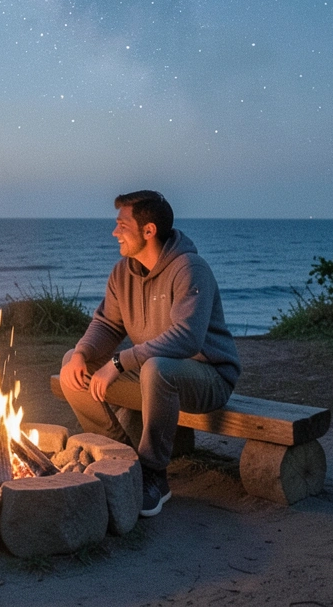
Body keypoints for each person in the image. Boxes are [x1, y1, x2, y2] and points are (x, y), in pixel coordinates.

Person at [59, 190, 240, 517]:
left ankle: (155, 474)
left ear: (149, 230)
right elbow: (107, 325)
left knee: (157, 368)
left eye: (121, 225)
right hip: (153, 374)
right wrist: (82, 353)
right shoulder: (122, 273)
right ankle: (122, 459)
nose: (114, 232)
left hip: (208, 377)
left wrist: (119, 362)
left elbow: (187, 339)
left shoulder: (190, 269)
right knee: (71, 366)